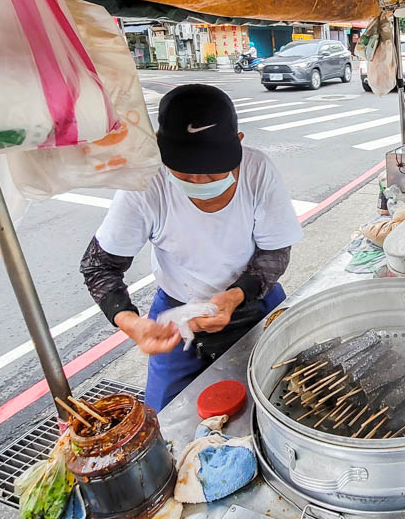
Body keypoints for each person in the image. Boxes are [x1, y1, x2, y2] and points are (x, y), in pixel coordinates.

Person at [80, 84, 302, 409]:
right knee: (165, 413)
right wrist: (132, 323)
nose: (199, 183)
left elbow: (275, 251)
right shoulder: (145, 186)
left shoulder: (258, 171)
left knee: (284, 394)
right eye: (184, 171)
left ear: (237, 145)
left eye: (213, 171)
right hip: (177, 309)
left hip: (256, 296)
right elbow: (99, 266)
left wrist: (234, 296)